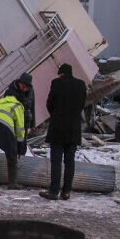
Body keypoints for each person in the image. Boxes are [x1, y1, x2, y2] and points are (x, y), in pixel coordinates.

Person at [41, 64, 88, 201]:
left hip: (58, 128)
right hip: (73, 129)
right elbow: (81, 105)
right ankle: (66, 191)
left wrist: (56, 115)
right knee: (70, 161)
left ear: (61, 74)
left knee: (56, 161)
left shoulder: (56, 83)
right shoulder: (81, 85)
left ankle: (54, 191)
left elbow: (50, 103)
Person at [4, 72, 35, 154]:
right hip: (13, 121)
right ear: (19, 82)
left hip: (25, 121)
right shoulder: (10, 91)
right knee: (12, 144)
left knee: (22, 145)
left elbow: (32, 107)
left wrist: (33, 124)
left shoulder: (30, 91)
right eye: (23, 86)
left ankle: (19, 161)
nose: (25, 89)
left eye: (27, 87)